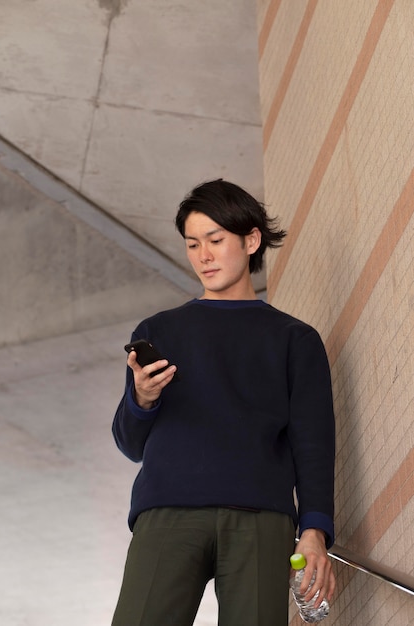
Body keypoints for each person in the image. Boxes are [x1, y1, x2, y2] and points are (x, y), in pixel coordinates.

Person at [111, 179, 336, 626]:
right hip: (167, 513)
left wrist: (314, 532)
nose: (204, 256)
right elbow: (130, 443)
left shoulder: (295, 339)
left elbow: (313, 443)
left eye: (216, 240)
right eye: (193, 244)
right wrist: (143, 397)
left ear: (250, 240)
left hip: (261, 520)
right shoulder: (159, 330)